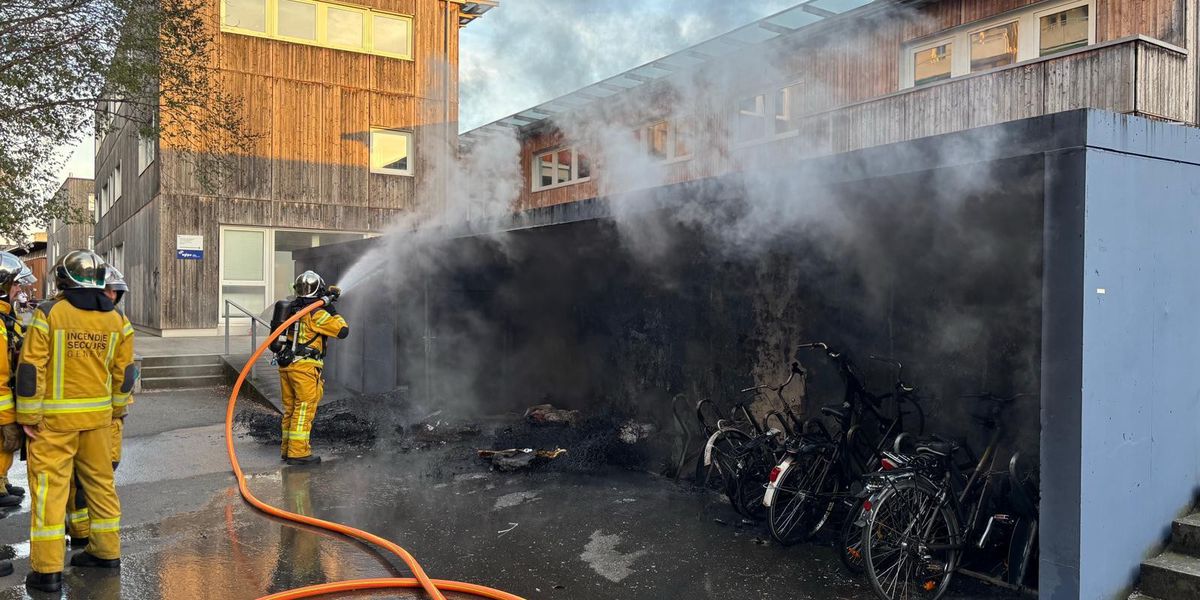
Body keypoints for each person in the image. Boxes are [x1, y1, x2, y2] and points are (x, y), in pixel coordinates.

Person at [16, 250, 134, 592]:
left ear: (64, 280)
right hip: (98, 421)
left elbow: (30, 368)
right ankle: (107, 552)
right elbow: (124, 374)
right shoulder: (118, 321)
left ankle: (47, 570)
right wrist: (114, 412)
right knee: (101, 486)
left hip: (51, 424)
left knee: (49, 493)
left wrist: (28, 416)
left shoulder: (49, 313)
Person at [67, 265, 132, 548]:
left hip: (99, 416)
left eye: (114, 293)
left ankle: (89, 535)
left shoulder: (115, 320)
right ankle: (87, 535)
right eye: (109, 291)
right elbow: (123, 374)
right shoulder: (113, 321)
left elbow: (123, 373)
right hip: (95, 416)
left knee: (94, 477)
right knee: (87, 479)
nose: (112, 297)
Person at [275, 271, 347, 466]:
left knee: (290, 409)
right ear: (319, 288)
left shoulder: (291, 309)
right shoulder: (317, 313)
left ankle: (287, 450)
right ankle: (298, 453)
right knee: (304, 409)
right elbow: (342, 330)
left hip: (286, 366)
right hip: (305, 368)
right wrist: (330, 307)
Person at [0, 252, 28, 509]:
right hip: (1, 400)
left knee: (4, 445)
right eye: (15, 284)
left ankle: (2, 481)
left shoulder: (5, 317)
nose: (19, 289)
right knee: (3, 440)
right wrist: (7, 415)